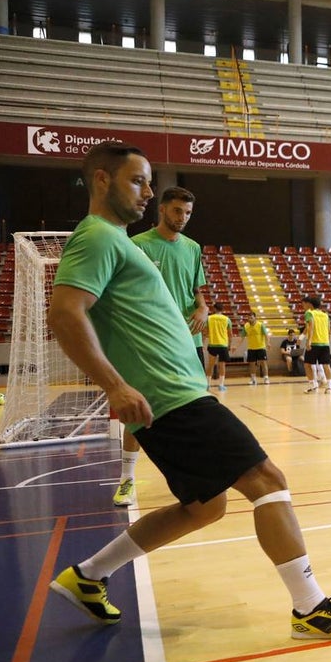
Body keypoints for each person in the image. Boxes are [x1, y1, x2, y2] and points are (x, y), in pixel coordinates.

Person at [46, 140, 331, 640]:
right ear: (101, 180)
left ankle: (89, 575)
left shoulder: (117, 240)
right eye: (137, 181)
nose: (147, 192)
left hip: (175, 393)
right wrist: (113, 385)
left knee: (207, 506)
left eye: (149, 182)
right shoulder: (96, 238)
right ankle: (310, 609)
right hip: (171, 396)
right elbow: (65, 314)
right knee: (267, 479)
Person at [113, 186, 208, 508]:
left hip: (189, 340)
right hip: (153, 340)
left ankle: (194, 474)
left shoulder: (193, 248)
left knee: (197, 407)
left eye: (189, 213)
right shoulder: (136, 245)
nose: (183, 218)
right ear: (163, 209)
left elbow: (197, 290)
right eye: (178, 211)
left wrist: (203, 308)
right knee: (139, 412)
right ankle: (126, 478)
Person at [301, 296, 331, 394]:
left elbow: (311, 327)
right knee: (326, 365)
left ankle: (313, 385)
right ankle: (329, 387)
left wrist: (308, 341)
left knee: (307, 365)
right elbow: (329, 330)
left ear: (310, 304)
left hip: (314, 343)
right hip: (325, 343)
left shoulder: (309, 313)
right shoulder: (325, 315)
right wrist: (327, 341)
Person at [205, 302, 234, 392]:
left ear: (214, 309)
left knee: (210, 365)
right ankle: (221, 385)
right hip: (223, 345)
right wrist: (230, 344)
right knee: (222, 366)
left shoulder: (209, 318)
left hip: (212, 344)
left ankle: (208, 385)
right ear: (222, 309)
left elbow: (205, 332)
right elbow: (230, 334)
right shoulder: (227, 319)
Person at [243, 311, 271, 385]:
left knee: (263, 363)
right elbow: (242, 337)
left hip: (261, 347)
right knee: (252, 364)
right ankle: (253, 379)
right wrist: (235, 346)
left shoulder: (260, 325)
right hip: (251, 348)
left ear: (255, 318)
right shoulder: (246, 326)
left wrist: (268, 342)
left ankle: (266, 378)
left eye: (251, 318)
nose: (250, 319)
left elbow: (266, 335)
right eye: (249, 318)